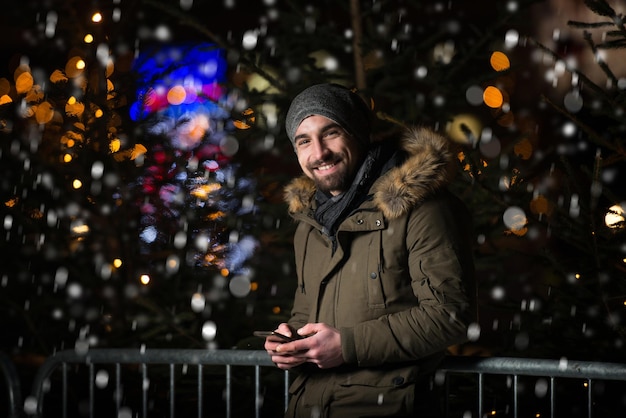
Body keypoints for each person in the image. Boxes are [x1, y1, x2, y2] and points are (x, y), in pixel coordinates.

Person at [263, 83, 476, 418]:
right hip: (309, 406)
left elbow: (448, 315)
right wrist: (289, 341)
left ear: (358, 134)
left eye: (330, 133)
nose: (319, 152)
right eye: (304, 140)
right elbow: (307, 317)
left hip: (387, 407)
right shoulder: (309, 224)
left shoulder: (422, 208)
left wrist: (347, 346)